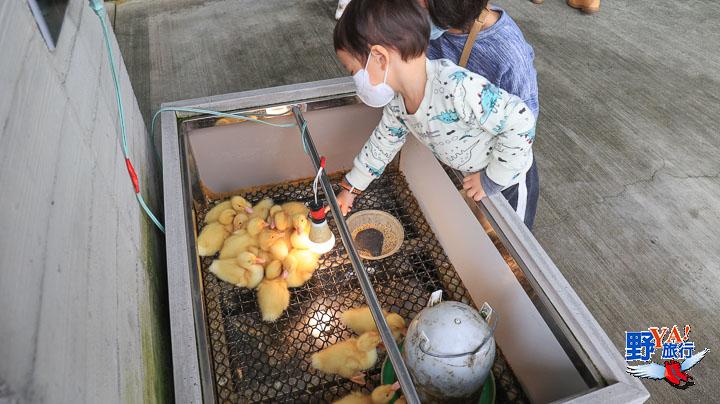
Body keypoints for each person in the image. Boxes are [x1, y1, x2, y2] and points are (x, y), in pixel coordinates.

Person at [333, 0, 538, 229]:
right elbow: (383, 143)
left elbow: (522, 121)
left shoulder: (456, 88)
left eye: (353, 71)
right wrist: (351, 188)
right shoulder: (399, 102)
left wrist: (492, 179)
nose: (355, 82)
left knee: (507, 243)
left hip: (507, 178)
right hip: (470, 171)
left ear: (380, 57)